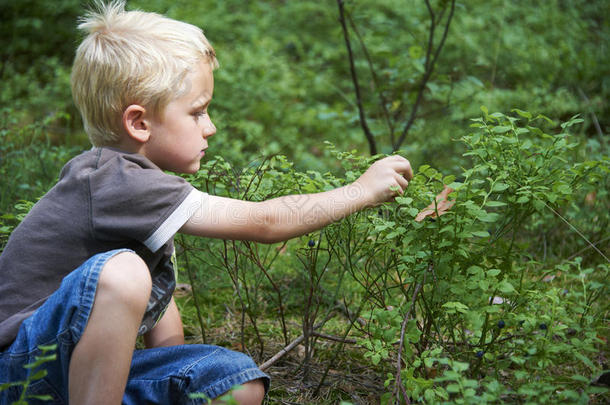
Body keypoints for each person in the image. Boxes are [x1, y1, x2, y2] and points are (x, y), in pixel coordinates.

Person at [0, 1, 413, 404]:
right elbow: (265, 222)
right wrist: (361, 190)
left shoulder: (137, 190)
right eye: (197, 112)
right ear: (139, 123)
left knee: (235, 383)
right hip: (22, 371)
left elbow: (162, 316)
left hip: (81, 377)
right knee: (124, 271)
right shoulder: (112, 179)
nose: (210, 127)